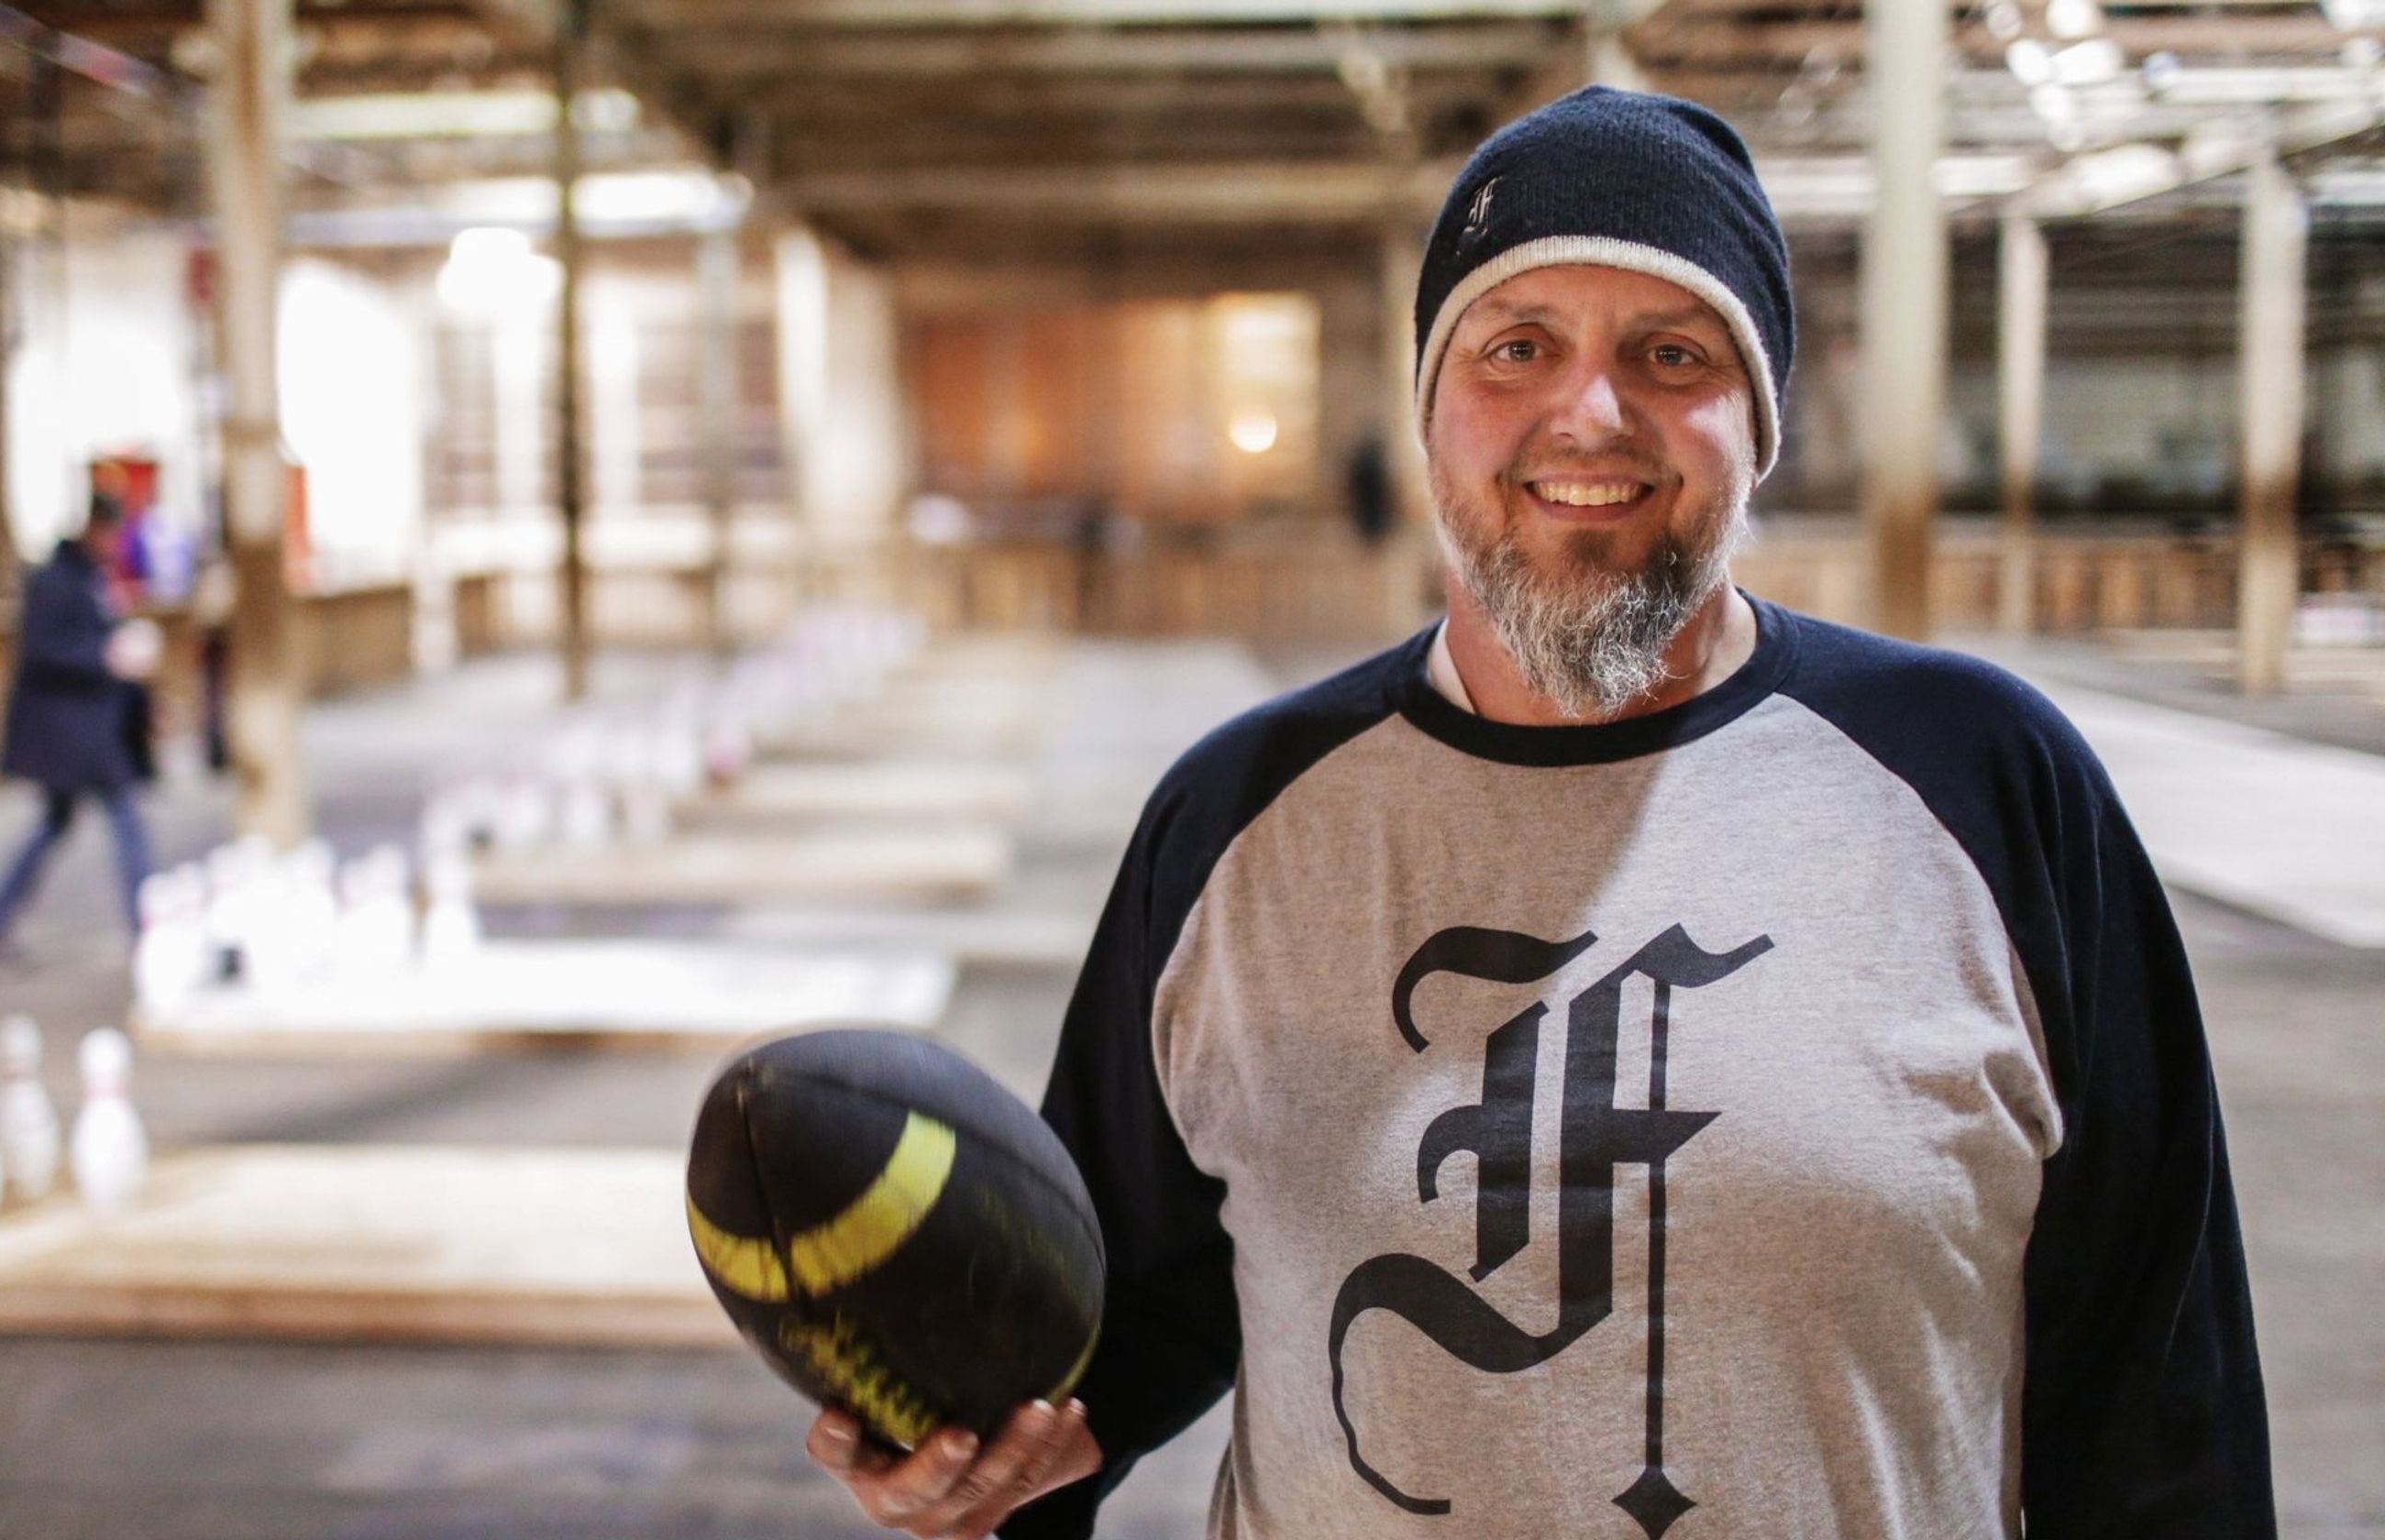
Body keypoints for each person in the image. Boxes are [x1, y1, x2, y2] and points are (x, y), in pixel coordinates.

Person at [808, 87, 2273, 1539]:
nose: (1592, 412)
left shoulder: (1987, 784)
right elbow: (1123, 1311)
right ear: (1433, 419)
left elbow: (2160, 1393)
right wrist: (968, 1450)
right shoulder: (1241, 820)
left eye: (1673, 352)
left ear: (1758, 423)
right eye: (1518, 347)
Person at [0, 501, 160, 961]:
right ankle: (149, 927)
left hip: (90, 728)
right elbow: (42, 649)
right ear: (94, 529)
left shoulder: (94, 577)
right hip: (71, 733)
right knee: (125, 823)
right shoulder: (54, 580)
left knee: (54, 827)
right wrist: (105, 655)